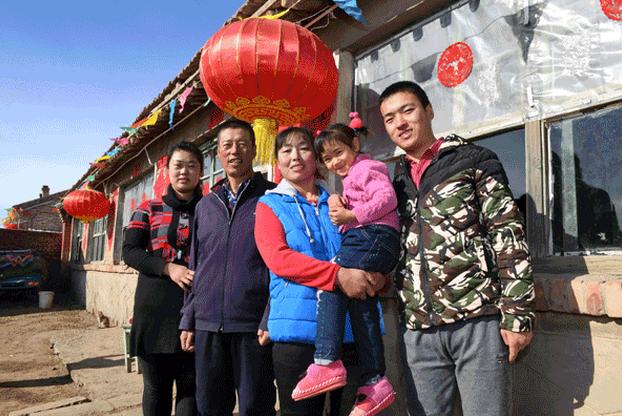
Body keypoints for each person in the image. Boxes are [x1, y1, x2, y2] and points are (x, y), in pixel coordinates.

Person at [378, 80, 535, 416]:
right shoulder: (394, 183)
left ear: (429, 111)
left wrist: (518, 314)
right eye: (390, 119)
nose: (400, 123)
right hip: (417, 329)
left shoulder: (473, 159)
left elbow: (508, 233)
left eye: (408, 110)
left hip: (476, 321)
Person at [254, 127, 386, 416]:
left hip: (351, 332)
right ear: (277, 161)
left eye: (303, 148)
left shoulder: (342, 202)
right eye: (286, 150)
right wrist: (338, 276)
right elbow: (279, 259)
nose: (295, 156)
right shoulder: (269, 205)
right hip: (298, 334)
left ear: (316, 158)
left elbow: (368, 243)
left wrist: (378, 276)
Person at [289, 120, 400, 415]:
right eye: (327, 158)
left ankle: (326, 361)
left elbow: (387, 199)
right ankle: (376, 381)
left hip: (374, 235)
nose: (334, 162)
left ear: (355, 145)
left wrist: (352, 213)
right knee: (361, 302)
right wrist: (342, 205)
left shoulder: (367, 168)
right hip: (371, 237)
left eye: (339, 153)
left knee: (332, 279)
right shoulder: (351, 176)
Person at [178, 119, 276, 416]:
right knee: (210, 407)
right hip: (207, 324)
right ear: (218, 154)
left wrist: (271, 316)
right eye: (227, 145)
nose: (235, 151)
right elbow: (197, 264)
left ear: (255, 149)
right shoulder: (205, 206)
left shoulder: (273, 198)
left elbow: (281, 265)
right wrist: (189, 317)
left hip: (253, 324)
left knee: (255, 407)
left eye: (242, 144)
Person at [123, 140, 202, 416]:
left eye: (192, 165)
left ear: (201, 172)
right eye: (178, 165)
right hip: (154, 309)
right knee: (156, 388)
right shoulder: (148, 208)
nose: (184, 172)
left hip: (196, 310)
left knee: (191, 389)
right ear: (167, 170)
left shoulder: (210, 211)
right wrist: (168, 268)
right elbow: (130, 252)